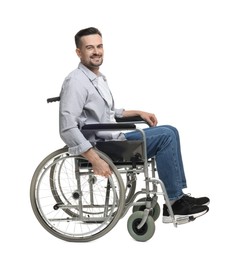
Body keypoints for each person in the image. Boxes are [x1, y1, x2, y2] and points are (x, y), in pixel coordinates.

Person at [59, 27, 210, 224]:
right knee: (166, 136)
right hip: (102, 146)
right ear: (79, 52)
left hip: (111, 139)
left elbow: (108, 113)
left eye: (99, 46)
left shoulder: (96, 78)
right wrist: (94, 158)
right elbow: (67, 127)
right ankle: (174, 201)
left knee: (171, 130)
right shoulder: (76, 81)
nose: (96, 51)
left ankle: (178, 196)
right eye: (90, 47)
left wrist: (138, 112)